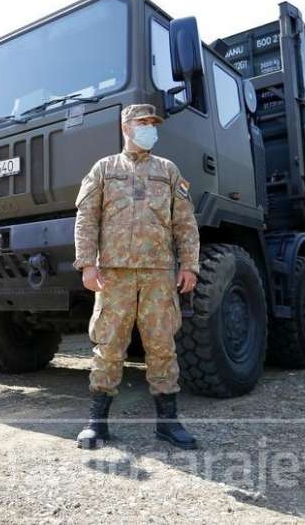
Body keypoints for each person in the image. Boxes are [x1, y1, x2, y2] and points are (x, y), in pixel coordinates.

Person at [73, 103, 200, 450]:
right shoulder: (104, 169)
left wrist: (189, 265)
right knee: (108, 346)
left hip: (159, 274)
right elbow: (87, 218)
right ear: (126, 127)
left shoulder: (168, 171)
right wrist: (87, 264)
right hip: (114, 274)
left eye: (152, 123)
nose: (149, 128)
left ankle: (168, 423)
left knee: (162, 346)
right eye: (142, 122)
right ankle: (97, 423)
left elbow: (185, 223)